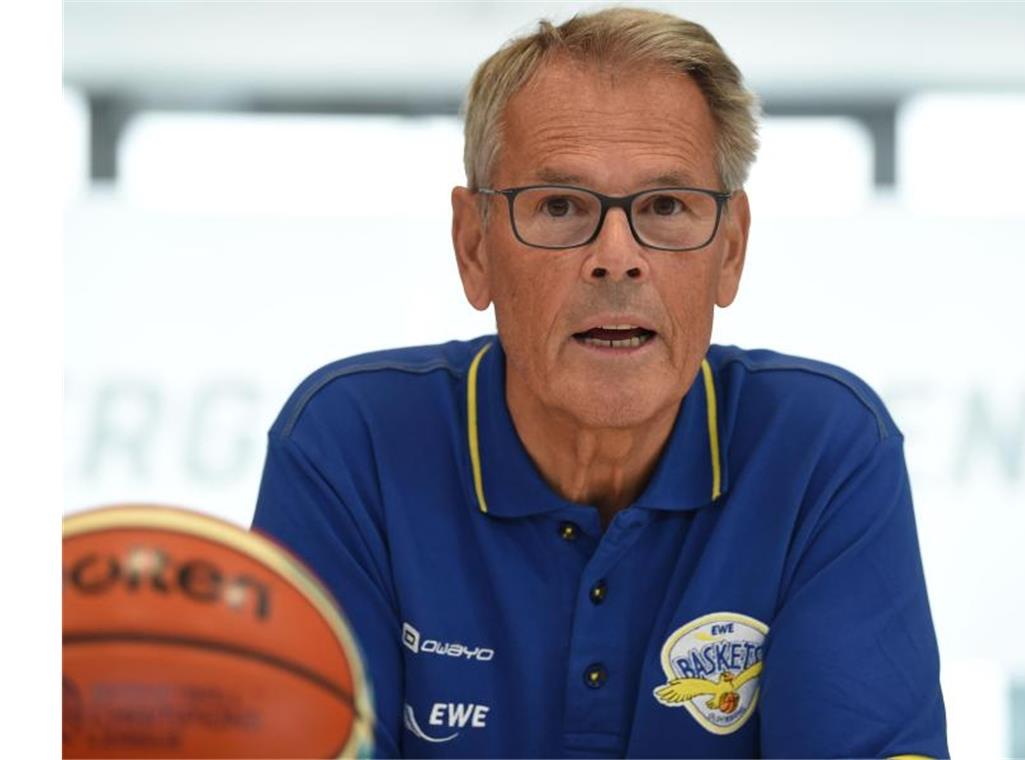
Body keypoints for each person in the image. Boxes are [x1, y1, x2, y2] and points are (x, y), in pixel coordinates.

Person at [252, 7, 948, 757]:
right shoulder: (349, 444)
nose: (617, 257)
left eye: (666, 206)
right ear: (473, 245)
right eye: (558, 205)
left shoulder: (824, 451)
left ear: (731, 250)